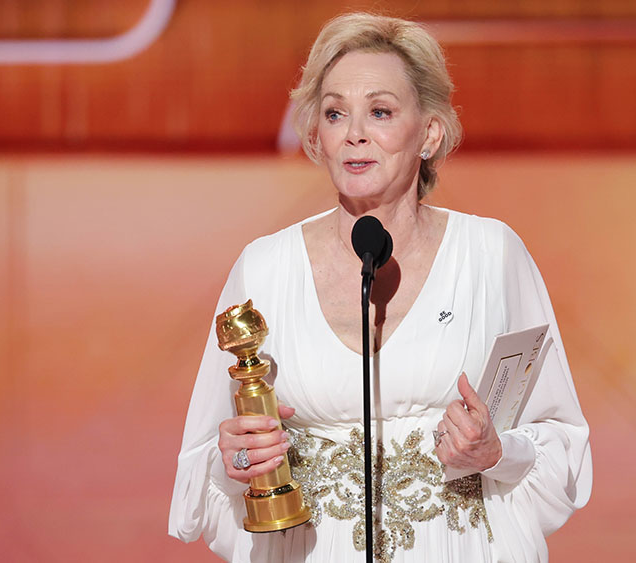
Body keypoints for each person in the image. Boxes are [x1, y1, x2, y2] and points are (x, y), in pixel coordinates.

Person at [169, 12, 591, 563]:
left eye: (381, 111)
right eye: (335, 112)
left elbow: (559, 440)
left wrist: (494, 450)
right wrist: (238, 461)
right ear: (317, 136)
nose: (355, 132)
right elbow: (208, 463)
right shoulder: (265, 267)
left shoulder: (491, 253)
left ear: (430, 132)